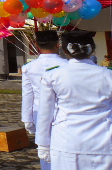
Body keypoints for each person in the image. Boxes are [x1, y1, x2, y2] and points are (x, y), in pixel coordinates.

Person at [36, 31, 112, 169]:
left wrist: (43, 144)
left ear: (64, 50)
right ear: (92, 49)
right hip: (108, 140)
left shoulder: (52, 75)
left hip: (67, 140)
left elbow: (45, 113)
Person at [20, 31, 69, 170]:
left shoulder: (28, 67)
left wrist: (27, 119)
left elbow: (27, 95)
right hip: (63, 112)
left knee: (45, 151)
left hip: (39, 112)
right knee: (65, 151)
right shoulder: (67, 65)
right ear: (58, 44)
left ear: (36, 45)